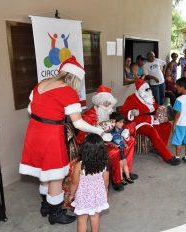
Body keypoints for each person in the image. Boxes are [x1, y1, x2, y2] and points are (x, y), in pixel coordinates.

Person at [19, 56, 111, 225]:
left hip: (34, 131)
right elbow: (78, 123)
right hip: (51, 135)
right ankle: (55, 213)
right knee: (55, 176)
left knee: (43, 171)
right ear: (75, 77)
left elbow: (30, 109)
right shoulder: (68, 92)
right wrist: (98, 129)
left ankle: (45, 205)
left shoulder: (41, 83)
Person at [75, 86, 136, 192]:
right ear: (97, 101)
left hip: (113, 138)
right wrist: (97, 132)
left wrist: (125, 130)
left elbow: (120, 122)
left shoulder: (110, 112)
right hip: (97, 143)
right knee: (114, 151)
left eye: (109, 102)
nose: (107, 105)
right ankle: (117, 180)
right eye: (104, 102)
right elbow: (81, 138)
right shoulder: (89, 116)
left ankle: (126, 172)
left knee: (130, 140)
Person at [120, 79, 180, 165]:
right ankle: (167, 157)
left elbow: (155, 107)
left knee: (167, 125)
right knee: (152, 132)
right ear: (139, 90)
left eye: (148, 89)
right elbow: (123, 112)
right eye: (146, 89)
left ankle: (158, 149)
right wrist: (132, 112)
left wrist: (159, 112)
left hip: (151, 119)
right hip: (138, 122)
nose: (148, 91)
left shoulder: (149, 96)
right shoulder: (131, 98)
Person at [70, 134, 109, 232]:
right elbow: (106, 180)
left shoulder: (80, 165)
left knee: (82, 218)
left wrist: (71, 195)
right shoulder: (104, 164)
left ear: (85, 149)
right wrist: (105, 191)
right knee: (95, 216)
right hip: (97, 195)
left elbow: (74, 183)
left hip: (83, 196)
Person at [172, 77, 186, 164]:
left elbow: (178, 114)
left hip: (180, 124)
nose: (176, 87)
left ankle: (177, 157)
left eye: (177, 86)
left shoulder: (179, 100)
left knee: (178, 141)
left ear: (182, 87)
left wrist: (174, 124)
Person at [109, 112, 134, 185]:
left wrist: (125, 143)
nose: (122, 124)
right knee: (120, 165)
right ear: (114, 122)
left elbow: (122, 137)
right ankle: (121, 179)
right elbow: (107, 141)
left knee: (125, 164)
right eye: (120, 122)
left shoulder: (121, 130)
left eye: (122, 122)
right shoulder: (111, 131)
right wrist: (112, 143)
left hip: (122, 149)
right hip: (117, 151)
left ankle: (128, 177)